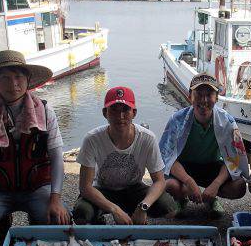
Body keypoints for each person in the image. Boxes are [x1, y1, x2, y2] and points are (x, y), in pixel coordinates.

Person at [0, 50, 70, 245]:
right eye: (4, 78)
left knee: (61, 223)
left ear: (28, 79)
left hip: (36, 187)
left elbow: (57, 158)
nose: (13, 84)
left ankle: (37, 219)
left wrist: (55, 198)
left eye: (18, 77)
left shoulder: (45, 112)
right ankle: (1, 222)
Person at [73, 86, 175, 225]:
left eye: (125, 110)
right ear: (105, 113)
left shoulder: (147, 138)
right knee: (81, 213)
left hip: (134, 187)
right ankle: (101, 215)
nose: (120, 116)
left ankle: (135, 213)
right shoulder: (92, 139)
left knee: (168, 206)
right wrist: (114, 209)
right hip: (104, 189)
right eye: (114, 110)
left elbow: (159, 181)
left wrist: (143, 206)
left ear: (134, 113)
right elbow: (85, 187)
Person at [159, 73, 248, 218]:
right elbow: (167, 157)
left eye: (209, 94)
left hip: (211, 166)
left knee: (239, 186)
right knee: (169, 184)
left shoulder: (228, 122)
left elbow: (233, 158)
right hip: (184, 168)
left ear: (217, 97)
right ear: (190, 96)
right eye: (198, 94)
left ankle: (211, 198)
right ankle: (181, 198)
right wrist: (189, 181)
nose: (204, 100)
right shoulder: (177, 119)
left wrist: (216, 184)